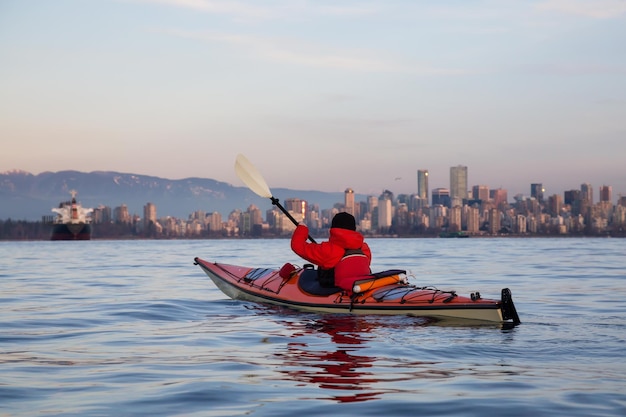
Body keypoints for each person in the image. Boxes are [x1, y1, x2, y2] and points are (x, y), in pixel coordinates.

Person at [290, 212, 372, 293]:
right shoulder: (364, 248)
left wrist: (302, 228)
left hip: (334, 289)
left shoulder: (328, 250)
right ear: (354, 229)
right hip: (361, 287)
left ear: (333, 229)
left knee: (309, 274)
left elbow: (297, 246)